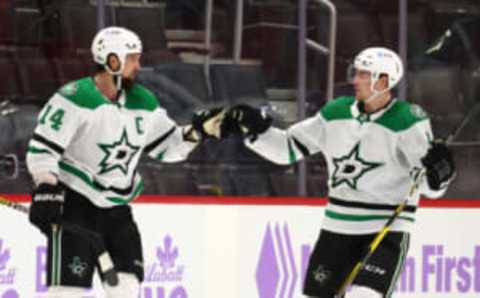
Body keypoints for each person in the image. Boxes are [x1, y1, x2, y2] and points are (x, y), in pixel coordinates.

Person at [223, 47, 456, 297]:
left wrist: (441, 176)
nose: (355, 80)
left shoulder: (409, 121)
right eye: (356, 73)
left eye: (364, 74)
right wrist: (256, 131)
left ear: (384, 80)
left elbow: (427, 187)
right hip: (337, 229)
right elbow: (287, 149)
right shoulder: (335, 112)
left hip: (386, 230)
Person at [26, 26, 222, 298]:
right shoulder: (73, 98)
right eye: (132, 58)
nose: (138, 65)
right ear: (112, 59)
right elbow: (43, 148)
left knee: (127, 289)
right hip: (76, 205)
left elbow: (169, 148)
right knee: (67, 292)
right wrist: (46, 187)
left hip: (117, 211)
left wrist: (197, 132)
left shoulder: (144, 101)